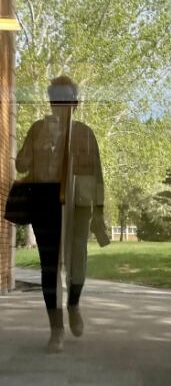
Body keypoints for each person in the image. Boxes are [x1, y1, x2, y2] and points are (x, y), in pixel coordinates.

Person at [16, 75, 109, 353]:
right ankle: (56, 331)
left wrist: (100, 213)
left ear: (75, 103)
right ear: (50, 101)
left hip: (78, 207)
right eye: (56, 98)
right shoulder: (38, 129)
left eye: (67, 99)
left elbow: (98, 175)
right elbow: (21, 164)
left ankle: (74, 304)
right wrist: (39, 147)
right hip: (45, 206)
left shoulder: (86, 134)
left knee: (77, 263)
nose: (61, 104)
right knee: (49, 269)